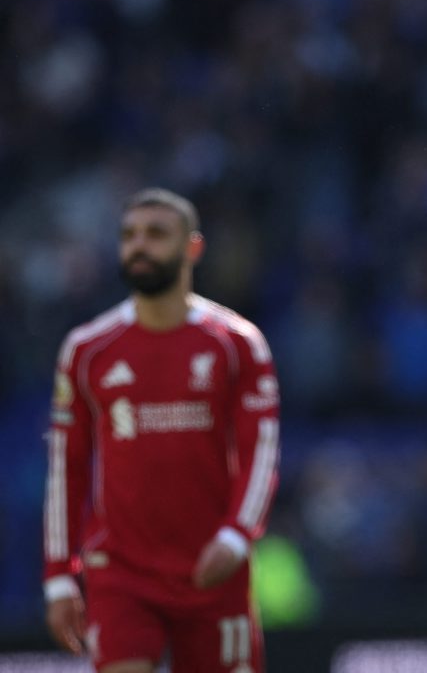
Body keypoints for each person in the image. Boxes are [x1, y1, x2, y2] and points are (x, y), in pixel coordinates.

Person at [43, 188, 280, 673]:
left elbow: (261, 452)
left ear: (193, 247)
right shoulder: (87, 349)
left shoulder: (237, 344)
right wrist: (59, 577)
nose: (139, 246)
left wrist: (237, 536)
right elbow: (66, 467)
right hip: (121, 572)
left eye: (156, 234)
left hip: (213, 565)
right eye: (129, 235)